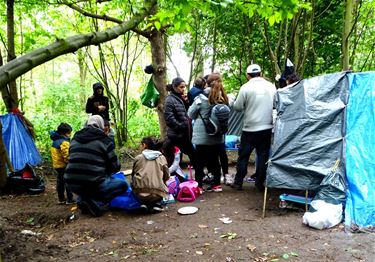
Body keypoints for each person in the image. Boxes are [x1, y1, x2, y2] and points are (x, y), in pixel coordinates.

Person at [64, 115, 127, 217]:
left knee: (87, 183)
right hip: (93, 183)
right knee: (123, 185)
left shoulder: (74, 139)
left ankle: (82, 199)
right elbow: (116, 167)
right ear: (101, 125)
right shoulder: (104, 140)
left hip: (71, 183)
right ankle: (94, 202)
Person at [231, 64, 276, 191]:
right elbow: (276, 104)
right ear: (261, 73)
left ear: (248, 75)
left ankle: (238, 182)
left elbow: (238, 107)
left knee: (243, 156)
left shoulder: (245, 87)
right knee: (263, 156)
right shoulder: (271, 86)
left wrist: (233, 101)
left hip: (250, 128)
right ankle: (259, 184)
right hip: (266, 127)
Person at [188, 73, 229, 193]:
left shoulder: (200, 98)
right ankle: (217, 185)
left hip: (202, 136)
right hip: (217, 135)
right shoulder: (223, 98)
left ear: (207, 84)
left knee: (199, 162)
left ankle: (199, 186)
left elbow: (190, 114)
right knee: (215, 160)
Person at [164, 77, 197, 169]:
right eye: (181, 87)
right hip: (177, 135)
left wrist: (186, 102)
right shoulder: (169, 100)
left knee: (181, 156)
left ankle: (197, 175)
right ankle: (199, 175)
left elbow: (184, 113)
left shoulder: (179, 98)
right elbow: (169, 118)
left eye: (184, 87)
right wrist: (181, 126)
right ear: (174, 87)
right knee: (188, 155)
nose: (183, 89)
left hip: (184, 134)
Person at [131, 137, 170, 212]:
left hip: (139, 192)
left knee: (134, 183)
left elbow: (133, 175)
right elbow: (167, 176)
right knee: (163, 184)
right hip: (157, 193)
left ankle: (143, 203)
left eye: (140, 145)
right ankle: (156, 203)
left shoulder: (138, 158)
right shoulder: (161, 158)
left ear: (144, 145)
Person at [50, 123, 74, 204]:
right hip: (64, 165)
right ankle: (70, 199)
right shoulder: (64, 142)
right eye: (69, 133)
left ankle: (61, 199)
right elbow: (66, 155)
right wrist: (71, 162)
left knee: (60, 182)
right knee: (68, 181)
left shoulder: (55, 141)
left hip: (57, 165)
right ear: (64, 133)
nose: (70, 135)